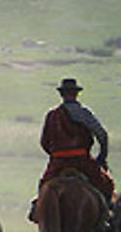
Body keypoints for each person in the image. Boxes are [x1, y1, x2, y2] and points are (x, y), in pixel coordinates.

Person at [34, 78, 115, 211]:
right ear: (76, 93)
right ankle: (106, 212)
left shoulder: (52, 115)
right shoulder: (84, 113)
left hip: (58, 162)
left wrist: (56, 155)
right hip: (82, 161)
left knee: (43, 187)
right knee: (106, 185)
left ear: (62, 94)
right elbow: (102, 134)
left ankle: (37, 209)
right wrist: (102, 156)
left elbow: (44, 142)